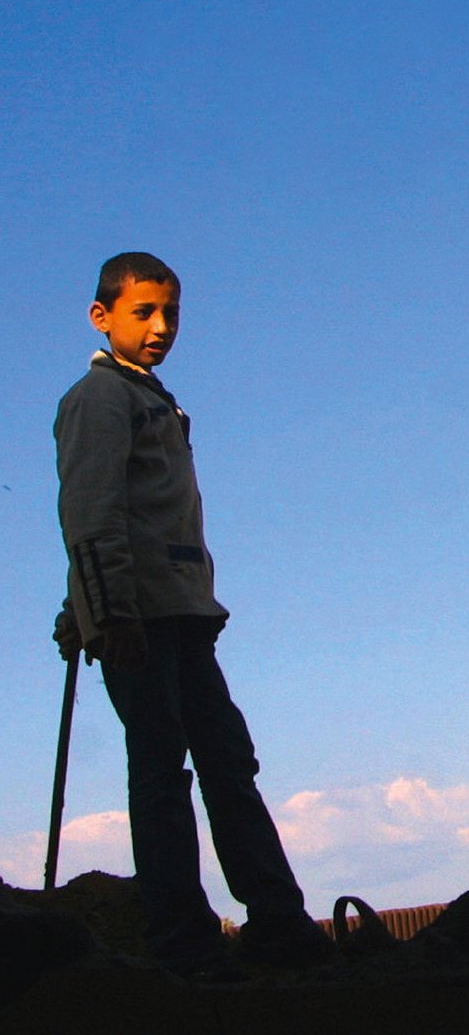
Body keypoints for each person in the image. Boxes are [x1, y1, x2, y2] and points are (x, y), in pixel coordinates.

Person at [52, 253, 329, 980]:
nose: (161, 326)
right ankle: (184, 941)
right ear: (102, 316)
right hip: (139, 622)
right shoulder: (99, 399)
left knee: (229, 765)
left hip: (181, 614)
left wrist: (74, 607)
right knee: (162, 774)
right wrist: (101, 613)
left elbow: (130, 515)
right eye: (143, 312)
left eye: (170, 313)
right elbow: (89, 512)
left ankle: (277, 921)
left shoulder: (154, 400)